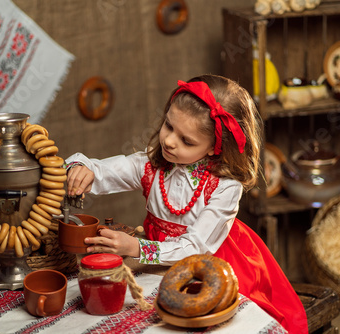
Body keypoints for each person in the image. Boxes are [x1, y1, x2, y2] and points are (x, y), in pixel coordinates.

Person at [65, 74, 308, 334]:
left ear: (215, 147)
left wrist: (136, 247)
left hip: (216, 264)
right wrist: (83, 168)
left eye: (186, 140)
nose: (169, 141)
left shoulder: (225, 186)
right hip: (156, 259)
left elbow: (196, 248)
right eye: (168, 126)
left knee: (218, 321)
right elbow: (105, 171)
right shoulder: (151, 166)